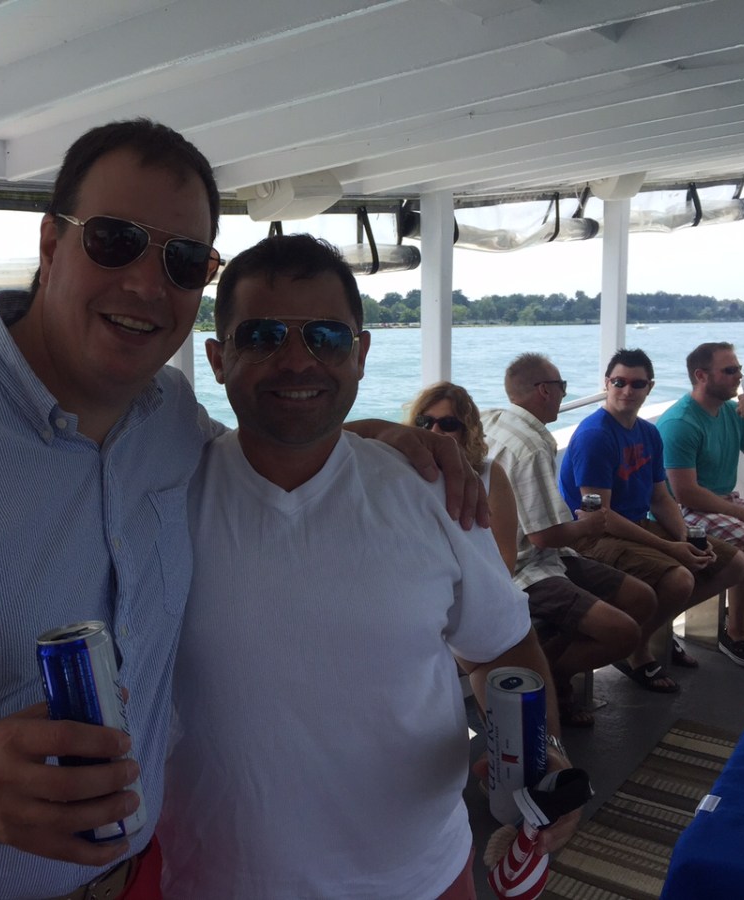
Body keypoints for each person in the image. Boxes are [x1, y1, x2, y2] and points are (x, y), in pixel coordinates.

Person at [0, 119, 482, 900]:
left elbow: (267, 444)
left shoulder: (167, 416)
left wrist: (369, 438)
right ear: (51, 245)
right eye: (114, 241)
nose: (146, 282)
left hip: (135, 876)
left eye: (181, 261)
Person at [159, 234, 578, 900]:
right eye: (264, 335)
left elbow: (501, 649)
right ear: (217, 358)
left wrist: (540, 757)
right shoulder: (165, 501)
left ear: (359, 354)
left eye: (325, 336)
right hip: (219, 879)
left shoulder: (435, 493)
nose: (297, 360)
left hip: (422, 877)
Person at [558, 348, 744, 693]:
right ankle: (637, 650)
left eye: (637, 384)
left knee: (734, 563)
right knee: (678, 580)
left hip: (634, 524)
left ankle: (643, 632)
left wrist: (685, 538)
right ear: (607, 383)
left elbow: (661, 497)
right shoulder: (595, 436)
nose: (627, 391)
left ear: (650, 387)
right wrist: (671, 549)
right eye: (619, 382)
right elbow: (601, 516)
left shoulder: (647, 433)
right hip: (592, 535)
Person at [482, 354, 655, 728]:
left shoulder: (492, 420)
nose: (563, 395)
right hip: (522, 567)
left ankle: (550, 672)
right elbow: (543, 535)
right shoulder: (529, 446)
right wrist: (589, 527)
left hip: (551, 555)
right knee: (622, 632)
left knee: (641, 598)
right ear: (545, 391)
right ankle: (545, 678)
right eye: (562, 388)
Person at [656, 341, 744, 667]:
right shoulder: (681, 423)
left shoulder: (732, 412)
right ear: (701, 376)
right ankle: (736, 633)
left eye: (739, 369)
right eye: (729, 371)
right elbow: (686, 493)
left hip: (722, 500)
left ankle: (742, 612)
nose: (738, 377)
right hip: (684, 511)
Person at [409, 382, 519, 572]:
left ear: (466, 431)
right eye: (424, 422)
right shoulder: (403, 472)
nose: (434, 431)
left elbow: (505, 554)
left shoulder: (489, 474)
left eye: (448, 424)